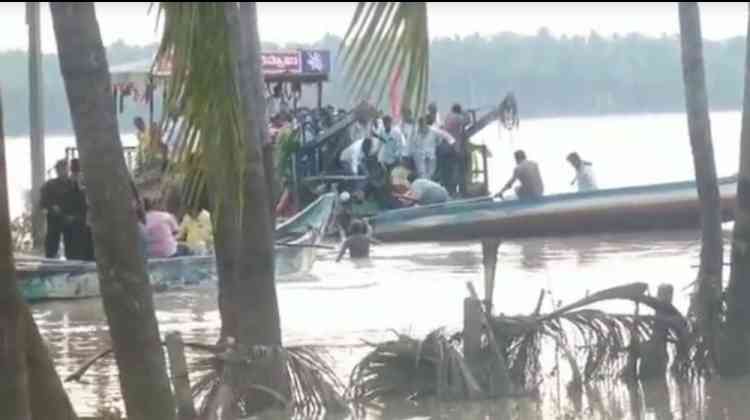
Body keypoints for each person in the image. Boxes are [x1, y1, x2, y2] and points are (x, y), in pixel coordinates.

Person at [39, 159, 75, 258]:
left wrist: (74, 216)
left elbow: (79, 202)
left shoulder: (74, 184)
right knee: (51, 247)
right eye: (60, 169)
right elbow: (43, 202)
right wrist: (52, 207)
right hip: (54, 220)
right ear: (57, 171)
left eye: (65, 168)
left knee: (72, 249)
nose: (63, 171)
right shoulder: (50, 184)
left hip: (69, 219)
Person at [66, 159, 94, 261]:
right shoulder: (70, 181)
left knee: (85, 242)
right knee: (79, 244)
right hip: (79, 218)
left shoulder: (82, 179)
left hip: (84, 218)